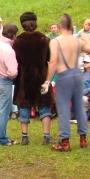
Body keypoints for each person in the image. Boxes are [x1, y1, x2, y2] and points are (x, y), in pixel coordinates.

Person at [46, 14, 90, 151]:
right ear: (71, 26)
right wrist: (86, 38)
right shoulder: (77, 41)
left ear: (60, 26)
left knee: (63, 108)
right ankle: (83, 138)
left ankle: (65, 141)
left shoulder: (55, 41)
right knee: (79, 106)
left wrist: (47, 80)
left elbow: (53, 62)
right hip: (77, 74)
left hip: (64, 76)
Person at [12, 11, 54, 145]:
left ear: (22, 24)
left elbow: (15, 60)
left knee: (24, 106)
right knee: (44, 106)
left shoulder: (18, 41)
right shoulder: (44, 39)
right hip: (41, 77)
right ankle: (46, 136)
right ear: (35, 23)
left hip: (24, 79)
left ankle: (25, 137)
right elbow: (49, 58)